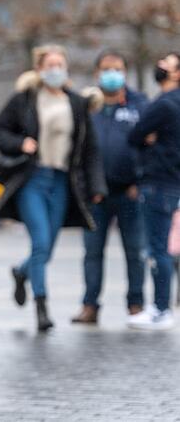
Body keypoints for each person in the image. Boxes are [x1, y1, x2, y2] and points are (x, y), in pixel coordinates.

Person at [0, 45, 106, 332]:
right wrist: (21, 143)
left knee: (48, 248)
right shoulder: (26, 99)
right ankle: (42, 307)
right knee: (40, 242)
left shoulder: (76, 103)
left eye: (60, 64)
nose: (55, 69)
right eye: (49, 65)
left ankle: (21, 272)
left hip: (63, 182)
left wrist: (96, 186)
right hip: (33, 180)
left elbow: (90, 149)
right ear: (39, 70)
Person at [71, 51, 148, 325]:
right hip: (94, 193)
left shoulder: (139, 105)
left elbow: (150, 146)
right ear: (96, 74)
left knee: (135, 251)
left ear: (125, 72)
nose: (111, 75)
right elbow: (75, 147)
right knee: (92, 252)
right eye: (106, 69)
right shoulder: (86, 106)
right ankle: (90, 305)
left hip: (130, 192)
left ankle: (136, 304)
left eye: (117, 69)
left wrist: (140, 182)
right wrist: (82, 185)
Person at [126, 51, 180, 330]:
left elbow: (134, 136)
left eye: (166, 64)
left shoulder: (164, 104)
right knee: (161, 247)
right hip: (170, 184)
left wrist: (148, 139)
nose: (159, 65)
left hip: (157, 183)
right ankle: (161, 307)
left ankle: (161, 309)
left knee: (157, 248)